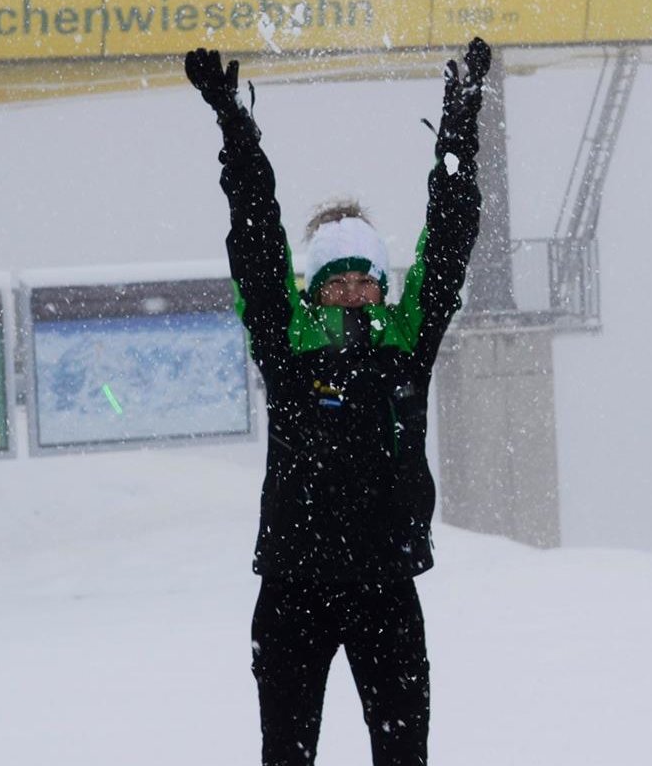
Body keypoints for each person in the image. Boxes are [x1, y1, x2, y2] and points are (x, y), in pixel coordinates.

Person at [186, 38, 490, 766]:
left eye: (366, 281)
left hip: (387, 585)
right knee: (286, 754)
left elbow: (448, 241)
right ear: (313, 288)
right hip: (294, 587)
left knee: (403, 755)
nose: (353, 293)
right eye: (337, 281)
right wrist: (236, 130)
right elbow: (254, 234)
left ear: (384, 287)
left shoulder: (406, 341)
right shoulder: (285, 342)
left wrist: (458, 138)